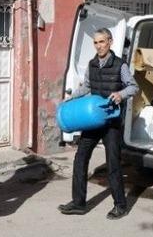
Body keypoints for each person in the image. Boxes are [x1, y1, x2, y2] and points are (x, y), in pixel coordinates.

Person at [58, 28, 139, 220]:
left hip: (110, 121)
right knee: (80, 158)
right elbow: (86, 86)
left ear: (110, 42)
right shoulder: (92, 64)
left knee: (112, 163)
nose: (98, 46)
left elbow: (133, 87)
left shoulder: (120, 65)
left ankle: (120, 205)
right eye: (95, 42)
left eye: (102, 42)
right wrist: (69, 98)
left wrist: (121, 94)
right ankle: (78, 203)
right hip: (92, 119)